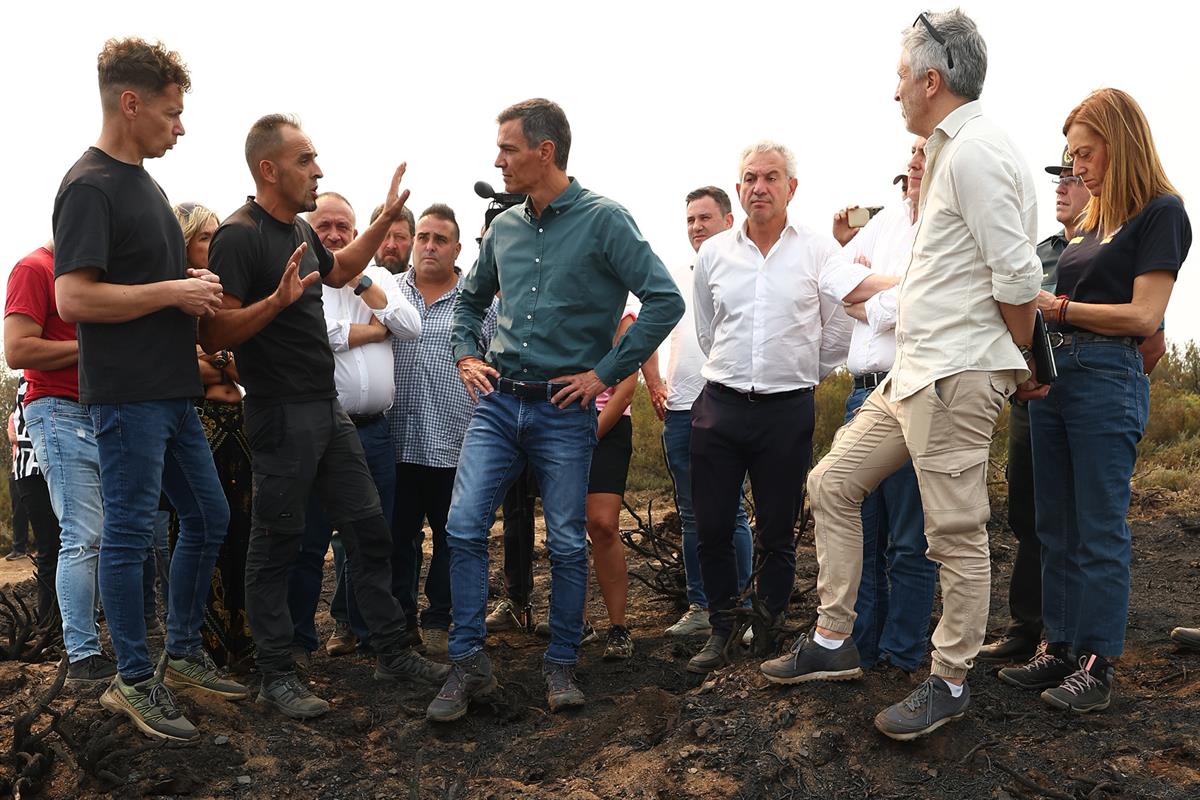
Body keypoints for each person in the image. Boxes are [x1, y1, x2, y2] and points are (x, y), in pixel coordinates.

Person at [761, 10, 1043, 742]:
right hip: (912, 372)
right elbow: (948, 270)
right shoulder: (949, 151)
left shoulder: (977, 152)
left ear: (931, 78)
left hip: (957, 372)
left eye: (898, 78)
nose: (894, 93)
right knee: (831, 483)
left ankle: (949, 681)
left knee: (953, 534)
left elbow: (1016, 274)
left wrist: (1021, 361)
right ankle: (832, 641)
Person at [427, 98, 684, 722]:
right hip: (497, 403)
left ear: (545, 152)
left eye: (507, 149)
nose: (498, 160)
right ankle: (467, 666)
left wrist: (604, 373)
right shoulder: (505, 227)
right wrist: (466, 355)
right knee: (462, 529)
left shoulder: (605, 221)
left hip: (564, 412)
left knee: (568, 542)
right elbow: (468, 303)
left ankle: (561, 664)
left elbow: (664, 300)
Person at [200, 114, 445, 720]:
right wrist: (275, 303)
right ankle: (276, 673)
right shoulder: (239, 235)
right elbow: (214, 329)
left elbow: (341, 269)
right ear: (270, 169)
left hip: (324, 409)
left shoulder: (299, 233)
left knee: (369, 529)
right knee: (278, 541)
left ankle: (390, 649)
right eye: (306, 160)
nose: (318, 170)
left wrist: (385, 220)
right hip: (279, 413)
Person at [53, 37, 247, 741]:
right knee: (131, 534)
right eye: (171, 112)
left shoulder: (147, 185)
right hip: (127, 397)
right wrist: (173, 289)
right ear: (129, 103)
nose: (181, 126)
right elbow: (74, 298)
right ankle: (132, 681)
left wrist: (192, 296)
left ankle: (183, 655)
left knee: (207, 515)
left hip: (170, 395)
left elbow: (148, 291)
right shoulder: (89, 185)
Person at [999, 88, 1191, 714]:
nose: (1075, 167)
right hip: (1057, 377)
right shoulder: (1091, 223)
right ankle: (1057, 647)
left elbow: (1144, 314)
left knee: (1099, 527)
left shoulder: (1162, 212)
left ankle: (1097, 663)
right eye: (1071, 155)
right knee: (1055, 525)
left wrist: (1057, 307)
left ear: (1121, 144)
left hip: (1107, 377)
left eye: (1085, 153)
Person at [686, 140, 894, 675]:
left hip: (786, 410)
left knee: (778, 530)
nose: (760, 187)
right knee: (711, 525)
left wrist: (805, 373)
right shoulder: (713, 254)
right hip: (722, 407)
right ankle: (721, 627)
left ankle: (768, 622)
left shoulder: (820, 250)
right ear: (739, 188)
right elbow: (708, 331)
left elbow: (841, 324)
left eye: (771, 178)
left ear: (791, 188)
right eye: (751, 178)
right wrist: (740, 374)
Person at [286, 191, 421, 659]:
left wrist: (361, 281)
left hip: (375, 431)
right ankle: (300, 641)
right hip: (318, 428)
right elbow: (317, 338)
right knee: (308, 540)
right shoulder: (301, 274)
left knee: (372, 539)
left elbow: (410, 325)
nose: (335, 235)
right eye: (325, 226)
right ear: (308, 227)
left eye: (344, 227)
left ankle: (369, 636)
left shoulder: (378, 275)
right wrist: (373, 328)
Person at [977, 148, 1091, 664]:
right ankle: (1028, 628)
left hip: (1089, 401)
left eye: (1073, 177)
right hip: (1032, 408)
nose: (1062, 187)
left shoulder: (1111, 251)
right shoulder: (1039, 254)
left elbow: (1149, 343)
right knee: (1028, 515)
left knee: (1085, 521)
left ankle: (1080, 636)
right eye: (1059, 178)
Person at [831, 138, 937, 676]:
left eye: (925, 152)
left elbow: (933, 299)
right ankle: (860, 647)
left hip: (913, 390)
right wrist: (898, 291)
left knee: (909, 539)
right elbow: (834, 280)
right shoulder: (888, 220)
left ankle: (902, 655)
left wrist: (867, 297)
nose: (914, 162)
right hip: (860, 392)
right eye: (911, 155)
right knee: (860, 532)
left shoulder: (946, 222)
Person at [7, 243, 118, 687]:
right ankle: (81, 655)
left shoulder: (101, 274)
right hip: (57, 408)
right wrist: (92, 345)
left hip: (103, 408)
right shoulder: (35, 268)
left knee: (111, 534)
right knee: (82, 533)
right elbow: (17, 350)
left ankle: (91, 642)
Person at [390, 204, 497, 659]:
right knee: (395, 540)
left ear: (457, 249)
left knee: (454, 538)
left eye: (440, 240)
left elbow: (497, 368)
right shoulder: (388, 294)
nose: (429, 246)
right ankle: (398, 626)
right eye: (423, 237)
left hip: (457, 445)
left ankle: (438, 619)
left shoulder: (480, 306)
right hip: (394, 442)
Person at [661, 187, 753, 638]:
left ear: (728, 220)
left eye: (705, 218)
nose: (697, 227)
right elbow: (644, 325)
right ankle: (702, 606)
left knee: (731, 511)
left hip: (727, 402)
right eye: (691, 219)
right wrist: (655, 383)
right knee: (692, 513)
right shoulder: (675, 274)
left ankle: (745, 608)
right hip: (680, 406)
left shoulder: (746, 271)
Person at [173, 201, 258, 670]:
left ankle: (242, 642)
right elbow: (180, 367)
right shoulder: (176, 297)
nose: (214, 245)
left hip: (239, 426)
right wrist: (219, 359)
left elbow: (248, 368)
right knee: (202, 528)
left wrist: (219, 360)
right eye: (206, 237)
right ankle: (199, 643)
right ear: (185, 240)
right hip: (197, 423)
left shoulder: (225, 297)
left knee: (243, 532)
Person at [6, 378, 60, 624]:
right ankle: (49, 622)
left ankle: (67, 619)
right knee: (50, 548)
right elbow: (18, 433)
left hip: (64, 465)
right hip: (33, 471)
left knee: (73, 546)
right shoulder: (27, 383)